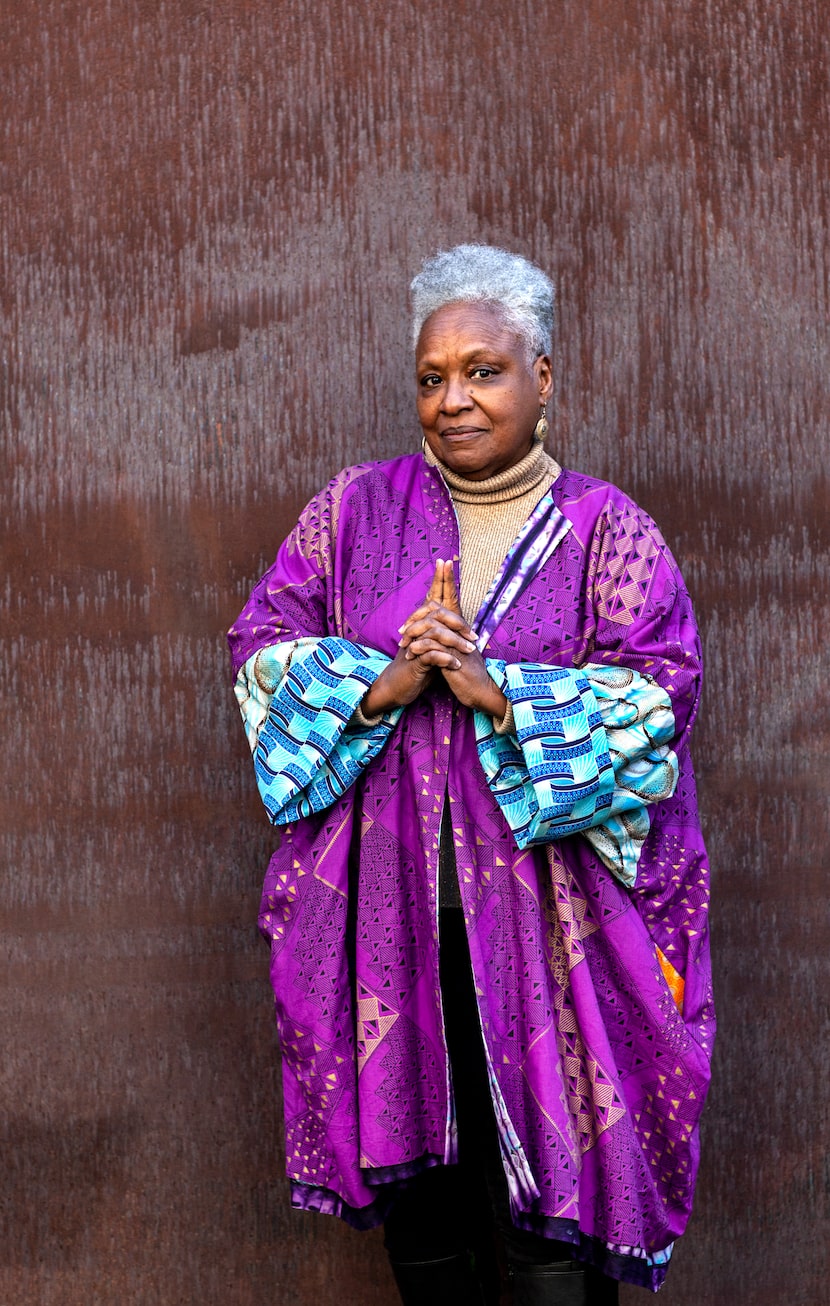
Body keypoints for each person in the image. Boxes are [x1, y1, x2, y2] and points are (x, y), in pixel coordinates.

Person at [228, 244, 714, 1305]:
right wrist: (391, 677)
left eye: (482, 371)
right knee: (427, 1198)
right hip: (388, 927)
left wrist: (499, 692)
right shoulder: (351, 516)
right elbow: (259, 651)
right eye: (430, 376)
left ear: (543, 377)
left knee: (558, 1190)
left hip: (555, 933)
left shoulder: (606, 533)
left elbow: (659, 698)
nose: (451, 399)